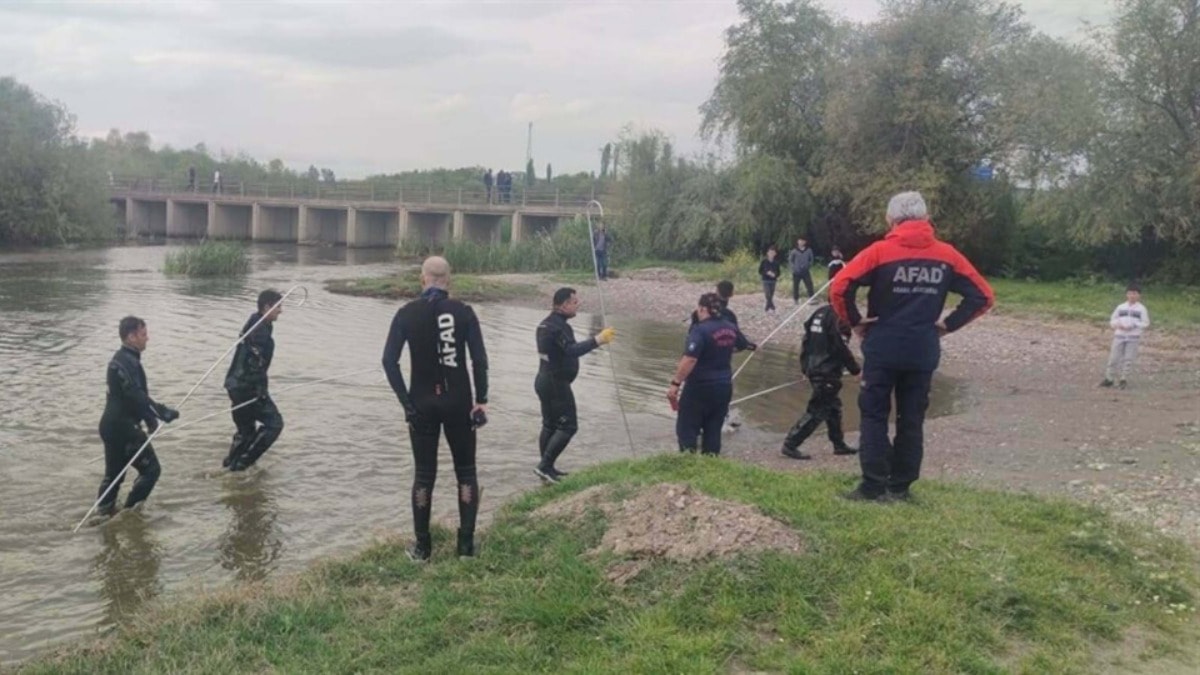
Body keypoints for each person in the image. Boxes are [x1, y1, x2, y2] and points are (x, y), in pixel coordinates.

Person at [830, 191, 994, 502]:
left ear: (891, 220)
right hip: (923, 348)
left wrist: (855, 321)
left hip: (882, 345)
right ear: (926, 219)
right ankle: (901, 487)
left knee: (874, 415)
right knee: (912, 418)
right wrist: (948, 324)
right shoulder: (947, 255)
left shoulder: (879, 251)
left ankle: (872, 486)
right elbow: (983, 296)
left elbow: (840, 286)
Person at [382, 256, 490, 561]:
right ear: (449, 281)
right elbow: (479, 361)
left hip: (421, 404)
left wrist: (406, 403)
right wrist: (481, 400)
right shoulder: (464, 312)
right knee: (466, 472)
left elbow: (389, 362)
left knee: (424, 475)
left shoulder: (406, 313)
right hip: (459, 403)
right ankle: (466, 547)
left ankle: (422, 548)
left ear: (422, 279)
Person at [96, 316, 179, 516]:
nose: (147, 338)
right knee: (151, 470)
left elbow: (134, 397)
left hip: (111, 426)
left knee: (113, 475)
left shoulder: (124, 359)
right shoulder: (127, 362)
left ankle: (104, 514)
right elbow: (134, 393)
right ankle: (130, 513)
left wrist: (150, 420)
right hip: (124, 428)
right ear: (131, 337)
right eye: (143, 334)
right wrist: (161, 411)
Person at [534, 287, 616, 482]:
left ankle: (547, 467)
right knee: (569, 426)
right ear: (563, 305)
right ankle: (545, 466)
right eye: (574, 302)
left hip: (544, 380)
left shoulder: (546, 324)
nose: (577, 305)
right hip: (555, 383)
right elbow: (571, 350)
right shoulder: (556, 327)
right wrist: (598, 340)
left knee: (550, 425)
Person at [669, 293, 756, 455]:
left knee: (686, 427)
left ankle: (686, 464)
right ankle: (711, 463)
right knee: (713, 428)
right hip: (723, 387)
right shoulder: (730, 326)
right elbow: (743, 345)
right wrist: (722, 350)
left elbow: (689, 359)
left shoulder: (699, 330)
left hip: (699, 387)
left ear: (702, 308)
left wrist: (675, 384)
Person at [781, 303, 860, 459]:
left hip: (817, 368)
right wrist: (856, 369)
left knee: (833, 408)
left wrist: (805, 366)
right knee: (818, 410)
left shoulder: (820, 312)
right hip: (826, 371)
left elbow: (806, 340)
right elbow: (840, 347)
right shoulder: (837, 316)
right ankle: (791, 444)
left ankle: (839, 445)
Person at [223, 290, 285, 472]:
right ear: (266, 307)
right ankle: (242, 464)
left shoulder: (254, 323)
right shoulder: (259, 332)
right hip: (246, 388)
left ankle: (230, 466)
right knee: (274, 424)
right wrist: (261, 391)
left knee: (246, 431)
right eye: (278, 306)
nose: (281, 311)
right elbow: (254, 365)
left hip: (234, 385)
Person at [1100, 284, 1149, 389]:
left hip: (1133, 337)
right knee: (1113, 358)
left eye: (1135, 293)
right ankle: (1109, 378)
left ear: (1139, 295)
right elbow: (1113, 319)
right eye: (1130, 293)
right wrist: (1117, 325)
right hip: (1119, 335)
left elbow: (1145, 323)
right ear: (1126, 294)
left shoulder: (1141, 309)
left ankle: (1123, 379)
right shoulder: (1121, 307)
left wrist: (1134, 325)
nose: (1132, 296)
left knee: (1128, 359)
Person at [788, 237, 816, 303]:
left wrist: (808, 265)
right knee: (796, 285)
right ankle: (796, 299)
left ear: (805, 242)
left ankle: (811, 298)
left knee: (809, 284)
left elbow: (811, 259)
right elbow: (790, 260)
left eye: (803, 241)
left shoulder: (808, 250)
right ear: (797, 242)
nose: (801, 242)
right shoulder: (794, 250)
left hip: (805, 270)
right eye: (800, 241)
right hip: (796, 271)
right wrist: (794, 268)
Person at [758, 245, 781, 314]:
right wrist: (766, 273)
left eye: (773, 253)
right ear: (767, 253)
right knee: (767, 294)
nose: (771, 254)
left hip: (773, 281)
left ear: (775, 254)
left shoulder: (776, 263)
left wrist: (775, 275)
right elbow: (760, 271)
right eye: (770, 252)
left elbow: (779, 272)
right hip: (765, 280)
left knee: (771, 294)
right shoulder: (764, 261)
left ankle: (768, 306)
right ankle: (772, 306)